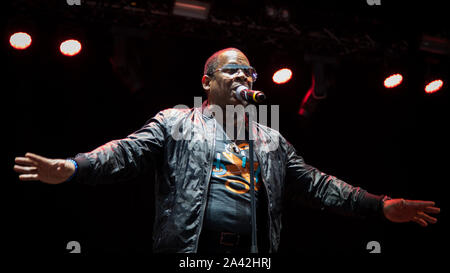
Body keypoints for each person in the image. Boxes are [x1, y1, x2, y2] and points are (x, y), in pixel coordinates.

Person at [13, 48, 440, 254]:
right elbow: (124, 153)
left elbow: (317, 185)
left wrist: (380, 206)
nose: (243, 75)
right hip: (189, 254)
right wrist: (72, 166)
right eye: (231, 69)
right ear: (207, 81)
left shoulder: (270, 140)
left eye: (248, 71)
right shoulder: (176, 122)